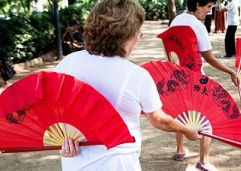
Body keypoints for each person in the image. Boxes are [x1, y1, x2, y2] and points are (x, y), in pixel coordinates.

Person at [54, 0, 201, 170]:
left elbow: (52, 104)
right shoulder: (136, 75)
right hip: (119, 163)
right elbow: (159, 120)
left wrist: (63, 135)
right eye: (138, 32)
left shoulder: (70, 62)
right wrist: (186, 130)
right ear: (127, 35)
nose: (138, 38)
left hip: (76, 162)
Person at [169, 0, 239, 170]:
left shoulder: (176, 21)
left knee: (181, 113)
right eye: (208, 7)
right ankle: (204, 161)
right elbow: (209, 58)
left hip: (177, 75)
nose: (209, 11)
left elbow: (170, 50)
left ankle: (180, 150)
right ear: (198, 5)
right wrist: (230, 71)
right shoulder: (198, 27)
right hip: (195, 78)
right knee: (208, 116)